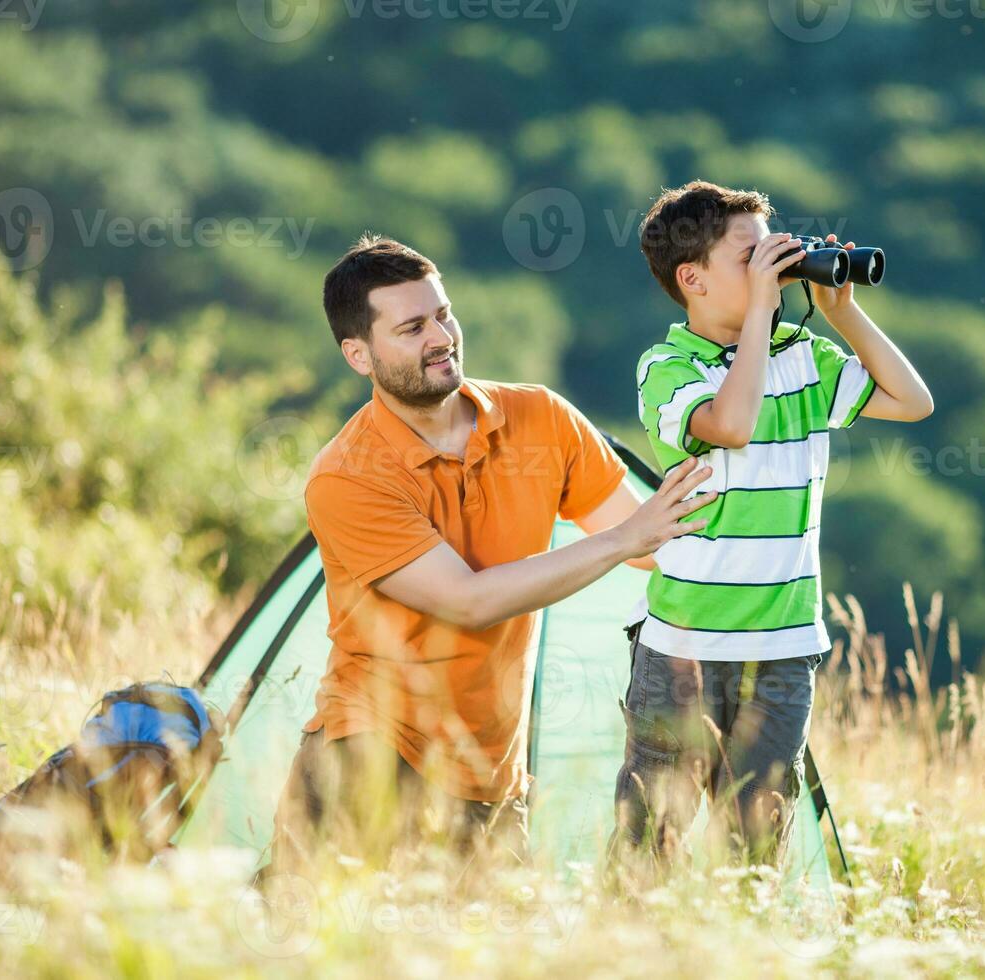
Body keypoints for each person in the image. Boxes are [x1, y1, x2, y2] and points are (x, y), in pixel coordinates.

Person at [270, 233, 718, 874]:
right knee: (313, 942)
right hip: (370, 748)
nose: (441, 336)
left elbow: (650, 541)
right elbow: (468, 602)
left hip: (491, 772)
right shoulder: (348, 475)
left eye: (443, 314)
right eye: (413, 327)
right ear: (358, 355)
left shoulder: (542, 419)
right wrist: (623, 541)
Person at [614, 180, 933, 870]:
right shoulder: (666, 368)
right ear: (691, 279)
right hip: (682, 651)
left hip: (783, 649)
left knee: (754, 847)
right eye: (752, 257)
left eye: (776, 252)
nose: (775, 266)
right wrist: (762, 313)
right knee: (651, 840)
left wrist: (842, 314)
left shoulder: (802, 357)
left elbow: (913, 402)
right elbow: (730, 425)